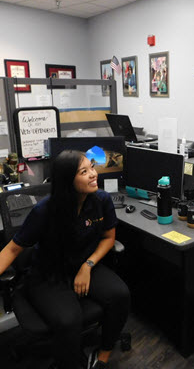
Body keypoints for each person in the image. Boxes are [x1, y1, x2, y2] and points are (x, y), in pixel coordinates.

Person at [0, 150, 131, 369]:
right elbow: (13, 250)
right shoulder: (45, 211)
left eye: (92, 167)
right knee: (69, 320)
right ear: (67, 181)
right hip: (48, 275)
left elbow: (109, 238)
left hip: (84, 265)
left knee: (120, 295)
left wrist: (88, 266)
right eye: (84, 171)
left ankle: (103, 354)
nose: (93, 174)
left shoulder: (101, 200)